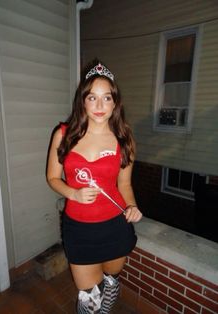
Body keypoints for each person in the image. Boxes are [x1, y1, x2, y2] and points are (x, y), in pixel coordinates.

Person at [46, 59, 143, 313]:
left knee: (110, 282)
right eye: (92, 98)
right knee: (89, 299)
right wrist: (73, 193)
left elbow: (124, 184)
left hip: (115, 226)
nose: (100, 106)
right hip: (79, 229)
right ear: (82, 100)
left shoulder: (124, 139)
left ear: (115, 102)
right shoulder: (63, 134)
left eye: (107, 98)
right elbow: (53, 178)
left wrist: (132, 206)